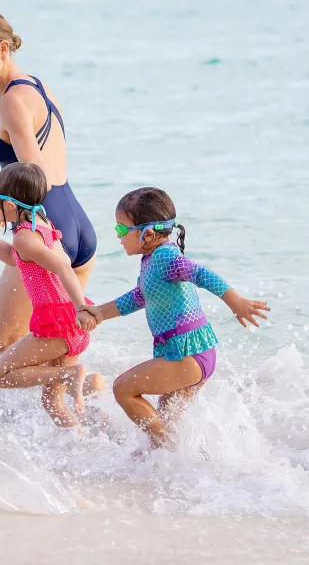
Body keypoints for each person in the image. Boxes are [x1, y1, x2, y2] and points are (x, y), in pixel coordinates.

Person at [0, 11, 101, 416]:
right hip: (75, 223)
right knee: (55, 360)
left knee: (0, 352)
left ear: (2, 48)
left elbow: (30, 175)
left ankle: (88, 384)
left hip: (43, 228)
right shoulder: (35, 85)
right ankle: (86, 447)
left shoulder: (13, 101)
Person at [84, 187, 269, 446]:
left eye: (121, 230)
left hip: (186, 354)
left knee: (123, 389)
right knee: (168, 416)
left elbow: (202, 274)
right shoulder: (153, 259)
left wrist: (235, 301)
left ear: (147, 234)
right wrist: (101, 313)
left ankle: (166, 450)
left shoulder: (166, 258)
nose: (118, 236)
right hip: (193, 352)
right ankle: (177, 460)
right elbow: (140, 296)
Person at [0, 162, 98, 426]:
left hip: (59, 323)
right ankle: (79, 445)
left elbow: (63, 266)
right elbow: (11, 257)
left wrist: (81, 309)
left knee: (0, 374)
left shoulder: (24, 237)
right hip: (71, 325)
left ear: (9, 205)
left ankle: (70, 375)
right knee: (52, 403)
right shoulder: (42, 224)